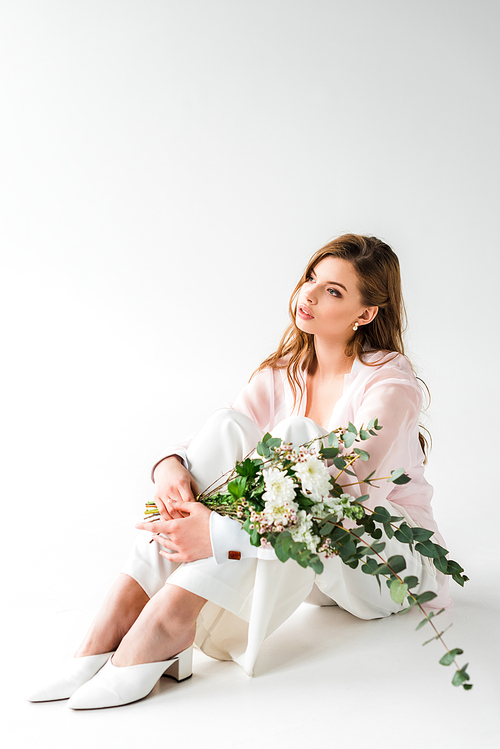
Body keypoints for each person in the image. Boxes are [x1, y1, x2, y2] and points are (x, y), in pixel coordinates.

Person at [28, 233, 451, 710]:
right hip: (305, 565)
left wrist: (221, 536)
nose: (308, 295)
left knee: (295, 436)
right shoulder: (285, 371)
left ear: (365, 314)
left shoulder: (389, 382)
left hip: (382, 558)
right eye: (311, 279)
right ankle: (122, 612)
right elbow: (214, 445)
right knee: (229, 427)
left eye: (333, 290)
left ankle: (168, 621)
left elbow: (333, 497)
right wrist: (170, 464)